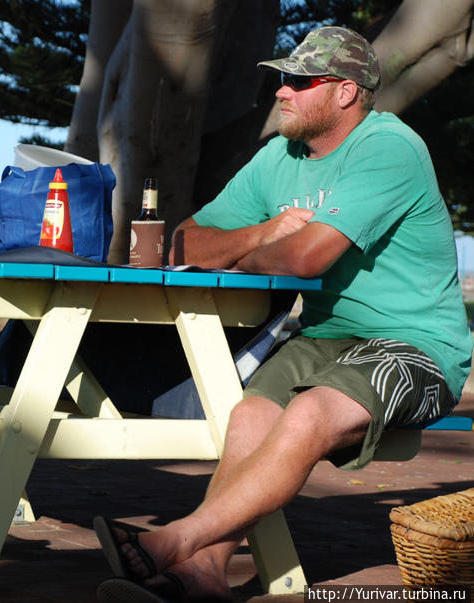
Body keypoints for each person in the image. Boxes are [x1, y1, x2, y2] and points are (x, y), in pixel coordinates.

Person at [94, 26, 472, 602]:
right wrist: (264, 232)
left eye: (298, 81)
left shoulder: (389, 146)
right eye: (282, 80)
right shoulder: (280, 155)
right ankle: (205, 572)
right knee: (248, 418)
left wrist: (250, 252)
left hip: (416, 347)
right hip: (323, 337)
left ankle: (172, 542)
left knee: (308, 414)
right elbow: (182, 246)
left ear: (345, 92)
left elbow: (304, 259)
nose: (281, 92)